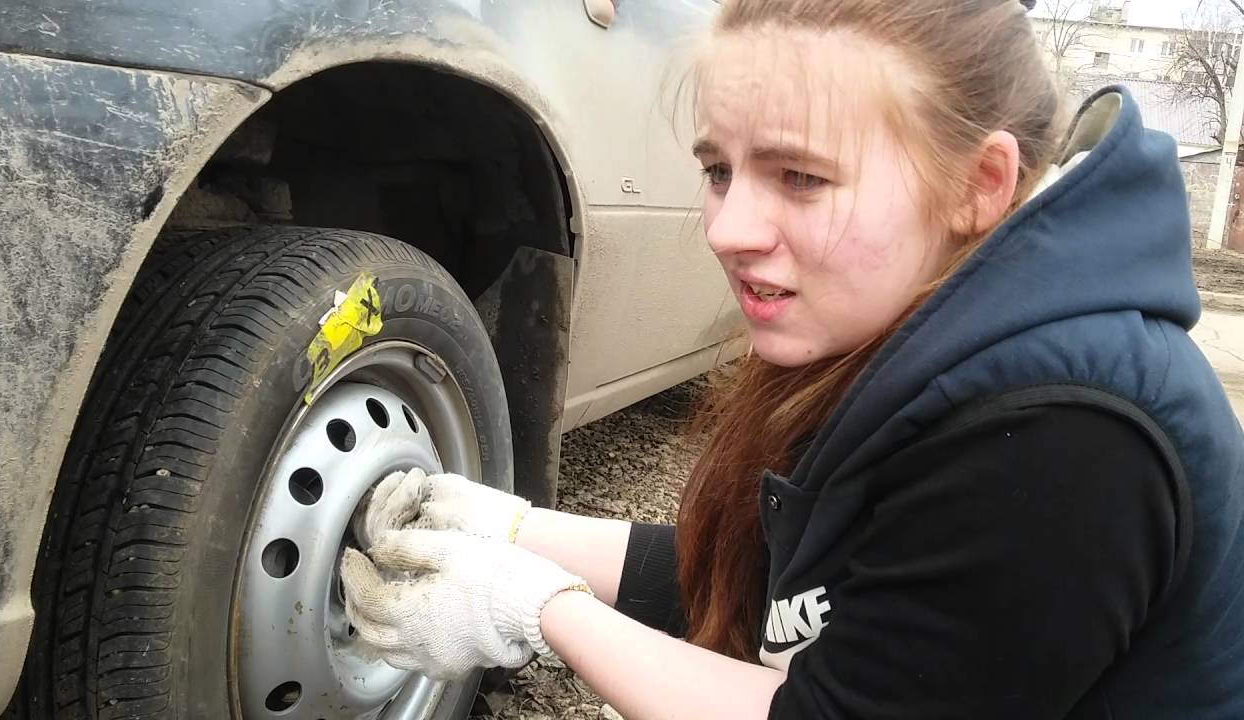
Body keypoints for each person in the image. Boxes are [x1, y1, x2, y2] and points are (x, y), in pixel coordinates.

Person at [338, 0, 1244, 717]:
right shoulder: (931, 338)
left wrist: (529, 607)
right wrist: (508, 527)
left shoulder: (1059, 436)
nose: (728, 231)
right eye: (719, 170)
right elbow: (779, 594)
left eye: (801, 178)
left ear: (978, 186)